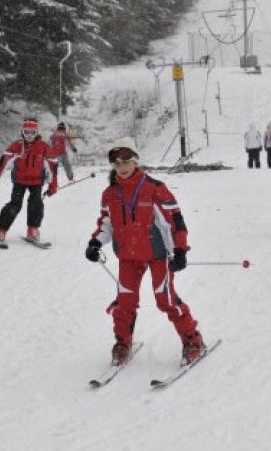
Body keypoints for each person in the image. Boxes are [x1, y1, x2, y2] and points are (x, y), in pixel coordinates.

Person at [84, 136, 204, 366]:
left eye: (126, 162)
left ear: (136, 162)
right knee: (124, 302)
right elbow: (106, 224)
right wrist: (95, 243)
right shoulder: (110, 194)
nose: (122, 167)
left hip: (158, 255)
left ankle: (193, 339)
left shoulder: (155, 189)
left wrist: (180, 251)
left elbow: (175, 222)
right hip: (128, 257)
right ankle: (123, 342)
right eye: (117, 164)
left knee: (165, 300)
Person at [0, 119, 58, 243]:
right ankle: (1, 230)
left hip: (36, 181)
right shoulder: (17, 146)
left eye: (33, 132)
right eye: (26, 132)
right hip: (20, 180)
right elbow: (2, 164)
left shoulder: (44, 147)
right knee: (15, 204)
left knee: (36, 204)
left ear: (37, 133)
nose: (29, 136)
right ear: (22, 132)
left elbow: (53, 168)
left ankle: (32, 229)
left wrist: (52, 186)